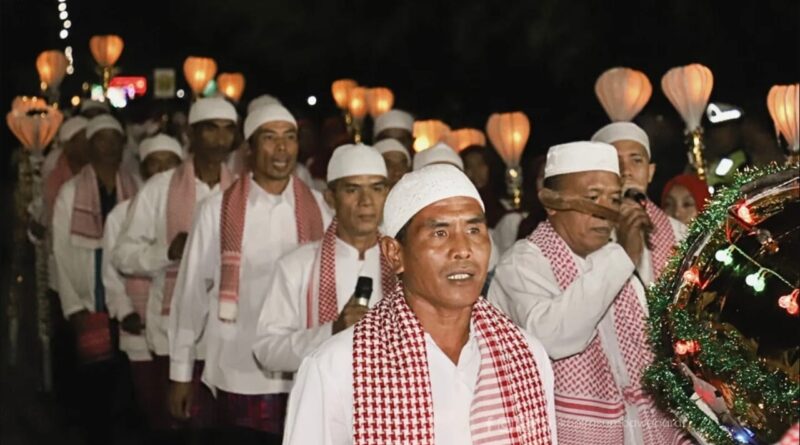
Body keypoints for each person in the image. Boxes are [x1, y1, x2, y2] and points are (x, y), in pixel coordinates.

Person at [284, 164, 556, 445]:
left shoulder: (526, 355)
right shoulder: (337, 367)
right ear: (394, 253)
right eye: (440, 233)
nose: (463, 248)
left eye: (474, 230)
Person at [489, 142, 691, 444]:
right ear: (552, 203)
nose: (603, 212)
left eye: (612, 199)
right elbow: (553, 336)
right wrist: (622, 257)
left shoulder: (615, 259)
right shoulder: (522, 264)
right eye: (592, 198)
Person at [169, 104, 331, 443]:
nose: (282, 148)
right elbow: (191, 294)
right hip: (237, 369)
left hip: (301, 369)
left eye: (290, 138)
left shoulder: (319, 207)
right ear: (250, 149)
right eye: (270, 138)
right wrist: (181, 372)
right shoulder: (216, 210)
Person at [111, 97, 239, 429]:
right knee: (174, 425)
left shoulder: (242, 190)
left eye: (228, 130)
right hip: (171, 332)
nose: (220, 139)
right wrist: (168, 253)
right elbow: (122, 255)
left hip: (228, 335)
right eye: (210, 129)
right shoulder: (160, 188)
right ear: (192, 136)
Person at [253, 143, 392, 374]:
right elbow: (266, 350)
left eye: (376, 189)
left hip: (392, 402)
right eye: (352, 190)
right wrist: (331, 333)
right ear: (330, 199)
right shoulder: (297, 266)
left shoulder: (405, 265)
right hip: (320, 403)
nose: (366, 200)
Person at [52, 114, 139, 444]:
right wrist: (73, 305)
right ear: (90, 145)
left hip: (127, 298)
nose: (109, 145)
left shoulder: (134, 187)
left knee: (126, 381)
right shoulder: (70, 192)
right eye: (101, 139)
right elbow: (60, 251)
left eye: (114, 138)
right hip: (90, 299)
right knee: (94, 380)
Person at [101, 134, 184, 433]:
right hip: (139, 328)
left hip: (177, 326)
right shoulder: (121, 214)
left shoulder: (189, 206)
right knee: (153, 407)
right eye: (155, 163)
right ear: (143, 168)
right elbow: (112, 270)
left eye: (169, 163)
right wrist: (125, 312)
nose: (162, 170)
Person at [592, 122, 687, 286]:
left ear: (650, 172)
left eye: (636, 161)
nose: (626, 171)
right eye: (615, 162)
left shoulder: (680, 233)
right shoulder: (586, 232)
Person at [460, 145, 507, 228]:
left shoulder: (502, 198)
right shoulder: (463, 203)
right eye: (469, 166)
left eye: (480, 164)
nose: (475, 170)